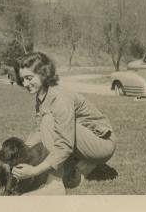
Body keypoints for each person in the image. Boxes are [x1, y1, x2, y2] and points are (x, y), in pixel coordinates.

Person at [11, 52, 116, 195]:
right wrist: (21, 152)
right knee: (45, 123)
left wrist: (34, 171)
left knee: (49, 121)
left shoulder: (59, 97)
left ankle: (54, 185)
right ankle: (85, 166)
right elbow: (38, 129)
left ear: (43, 73)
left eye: (29, 78)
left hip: (102, 143)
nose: (25, 84)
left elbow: (64, 144)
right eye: (22, 79)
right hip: (85, 142)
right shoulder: (41, 95)